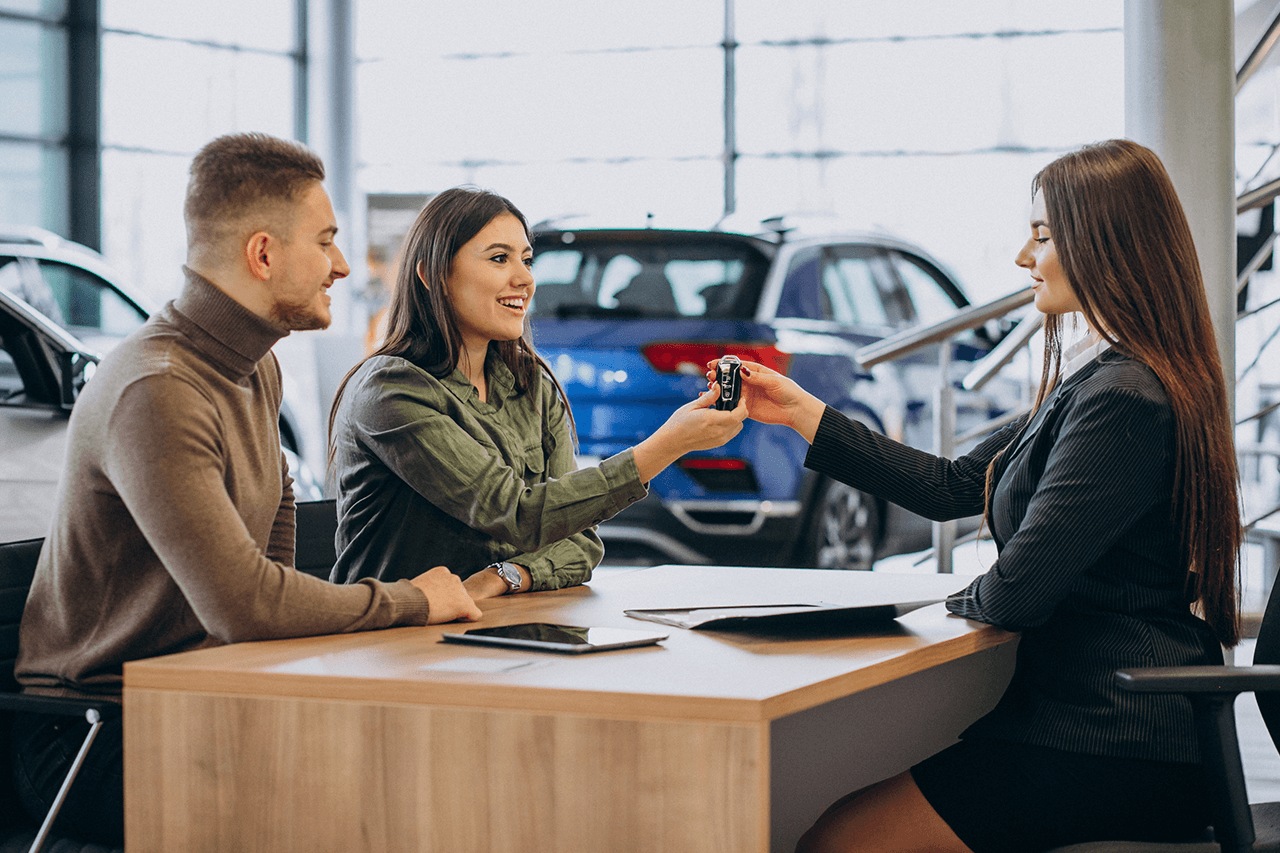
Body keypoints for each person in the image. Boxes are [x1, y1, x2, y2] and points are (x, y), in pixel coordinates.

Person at [730, 139, 1241, 853]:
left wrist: (946, 602)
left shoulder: (1125, 397)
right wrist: (797, 410)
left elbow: (1016, 593)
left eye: (1041, 235)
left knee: (834, 842)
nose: (1023, 258)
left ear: (1104, 244)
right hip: (1092, 719)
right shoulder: (1105, 380)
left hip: (1113, 735)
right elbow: (952, 485)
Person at [11, 132, 482, 845]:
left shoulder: (253, 367)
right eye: (325, 242)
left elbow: (274, 564)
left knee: (432, 753)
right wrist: (413, 599)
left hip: (205, 695)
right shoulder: (159, 389)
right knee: (370, 798)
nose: (344, 265)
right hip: (97, 735)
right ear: (263, 254)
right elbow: (248, 604)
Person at [327, 186, 746, 598]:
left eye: (527, 260)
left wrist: (504, 576)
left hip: (498, 631)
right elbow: (518, 515)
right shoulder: (390, 389)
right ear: (432, 274)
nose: (525, 278)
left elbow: (579, 542)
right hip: (392, 644)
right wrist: (669, 444)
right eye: (499, 258)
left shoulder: (531, 383)